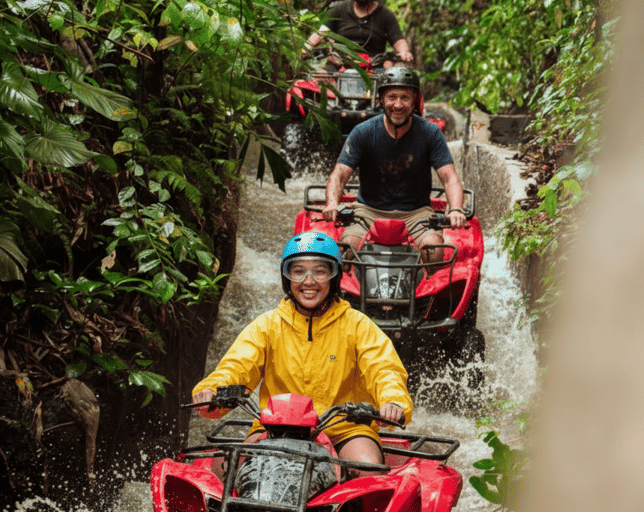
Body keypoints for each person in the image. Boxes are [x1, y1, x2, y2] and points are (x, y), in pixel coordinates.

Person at [192, 231, 412, 479]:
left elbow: (384, 369)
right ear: (287, 277)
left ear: (334, 277)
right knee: (228, 467)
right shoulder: (267, 325)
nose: (309, 281)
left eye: (320, 271)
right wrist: (212, 389)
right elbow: (236, 367)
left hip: (344, 429)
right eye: (298, 271)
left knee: (368, 469)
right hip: (275, 428)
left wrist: (392, 401)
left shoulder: (358, 325)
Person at [321, 67, 466, 264]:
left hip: (417, 213)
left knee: (434, 253)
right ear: (380, 99)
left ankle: (427, 294)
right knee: (346, 252)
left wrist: (456, 209)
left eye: (405, 98)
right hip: (368, 210)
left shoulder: (430, 133)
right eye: (392, 97)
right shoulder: (362, 132)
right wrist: (332, 203)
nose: (398, 105)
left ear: (415, 100)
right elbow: (339, 175)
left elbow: (450, 179)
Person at [302, 0, 413, 70]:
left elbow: (398, 40)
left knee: (393, 74)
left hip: (374, 66)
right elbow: (321, 33)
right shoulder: (338, 9)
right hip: (340, 63)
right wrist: (306, 48)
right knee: (319, 77)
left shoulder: (385, 14)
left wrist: (404, 52)